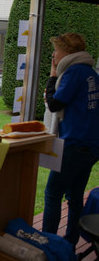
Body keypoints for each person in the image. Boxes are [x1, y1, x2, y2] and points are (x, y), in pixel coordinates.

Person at [42, 32, 99, 245]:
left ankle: (46, 244)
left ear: (67, 51)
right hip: (91, 145)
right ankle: (69, 244)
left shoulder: (73, 72)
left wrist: (53, 76)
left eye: (56, 50)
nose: (54, 55)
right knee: (75, 198)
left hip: (74, 143)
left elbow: (55, 104)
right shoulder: (91, 73)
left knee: (52, 194)